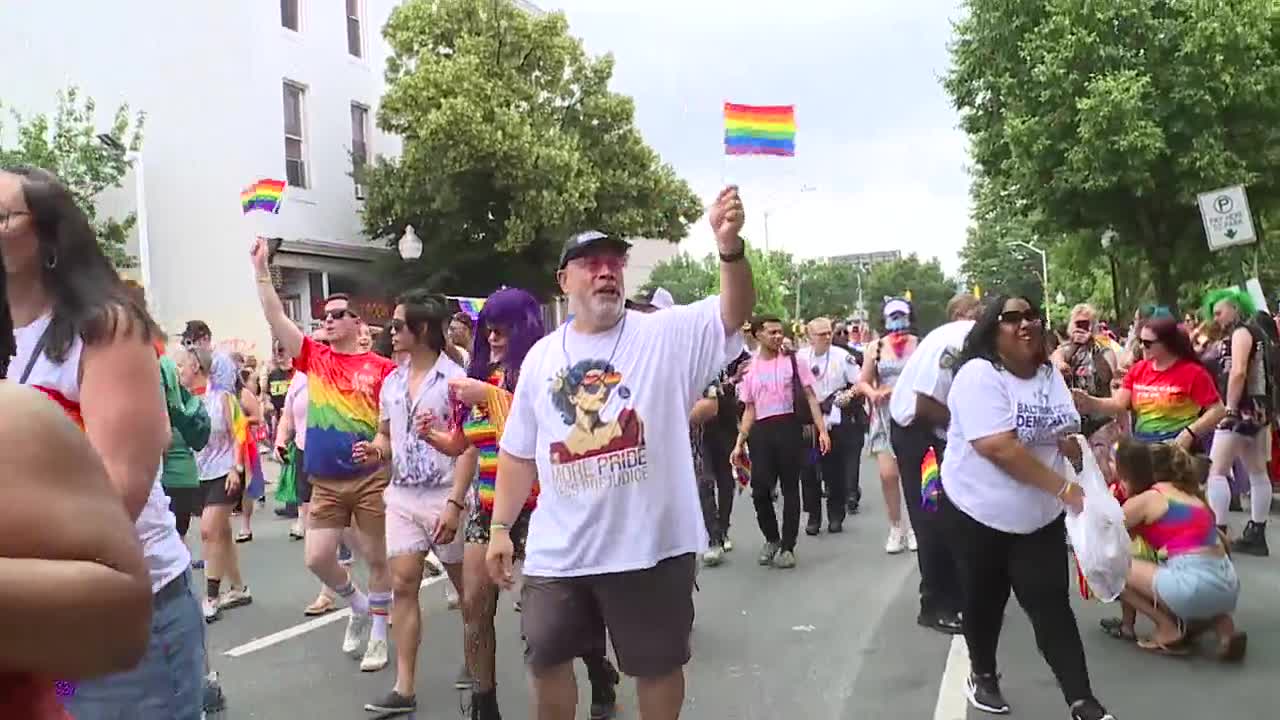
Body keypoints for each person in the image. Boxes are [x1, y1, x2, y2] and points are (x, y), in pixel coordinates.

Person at [488, 186, 755, 720]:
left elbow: (734, 310)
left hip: (648, 547)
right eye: (591, 264)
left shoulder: (664, 335)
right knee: (545, 654)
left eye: (614, 263)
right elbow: (519, 453)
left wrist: (729, 248)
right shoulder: (542, 358)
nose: (606, 272)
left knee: (655, 667)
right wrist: (499, 527)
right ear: (565, 281)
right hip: (558, 550)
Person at [2, 165, 204, 718]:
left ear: (47, 235)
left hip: (117, 615)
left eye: (2, 217)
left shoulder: (105, 330)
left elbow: (122, 491)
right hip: (32, 623)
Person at [445, 287, 621, 720]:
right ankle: (484, 705)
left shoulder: (544, 373)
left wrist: (487, 396)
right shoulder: (480, 379)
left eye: (502, 327)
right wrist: (451, 498)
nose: (493, 336)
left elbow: (538, 432)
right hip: (488, 508)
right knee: (474, 606)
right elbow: (466, 446)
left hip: (544, 509)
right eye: (488, 328)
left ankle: (598, 670)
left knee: (551, 619)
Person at [942, 295, 1113, 720]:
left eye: (1031, 316)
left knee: (1051, 604)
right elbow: (998, 447)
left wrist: (1077, 458)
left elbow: (1062, 426)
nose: (1024, 325)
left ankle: (1082, 700)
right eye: (1011, 318)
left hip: (1038, 515)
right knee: (985, 600)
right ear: (991, 328)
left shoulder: (1048, 374)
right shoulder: (978, 375)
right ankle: (983, 674)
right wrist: (1064, 490)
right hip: (978, 511)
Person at [0, 282, 151, 717]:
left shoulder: (110, 331)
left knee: (70, 687)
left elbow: (126, 489)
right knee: (64, 687)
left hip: (102, 618)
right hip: (55, 652)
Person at [249, 238, 397, 672]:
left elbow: (393, 424)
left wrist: (382, 447)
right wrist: (261, 270)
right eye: (323, 316)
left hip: (369, 477)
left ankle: (380, 634)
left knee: (376, 559)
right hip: (326, 479)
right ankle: (357, 606)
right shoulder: (314, 358)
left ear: (357, 322)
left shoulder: (382, 369)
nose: (327, 321)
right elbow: (276, 317)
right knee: (317, 557)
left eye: (336, 316)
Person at [360, 292, 469, 714]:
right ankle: (404, 687)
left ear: (422, 330)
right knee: (403, 583)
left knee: (468, 593)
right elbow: (385, 435)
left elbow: (468, 446)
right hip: (402, 497)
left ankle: (479, 663)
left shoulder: (456, 380)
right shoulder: (390, 382)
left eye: (399, 326)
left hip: (445, 495)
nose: (392, 332)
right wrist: (376, 450)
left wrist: (456, 504)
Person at [888, 293, 980, 635]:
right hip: (919, 435)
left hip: (937, 433)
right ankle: (935, 604)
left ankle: (956, 594)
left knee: (954, 514)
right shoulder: (956, 343)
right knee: (934, 517)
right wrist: (971, 421)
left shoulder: (964, 338)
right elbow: (925, 404)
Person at [1106, 440, 1246, 660]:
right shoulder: (1194, 497)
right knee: (1195, 574)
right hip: (1229, 585)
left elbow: (1105, 530)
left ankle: (1167, 628)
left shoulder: (1150, 498)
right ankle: (1224, 627)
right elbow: (1225, 543)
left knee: (1111, 568)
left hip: (1191, 586)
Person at [733, 316, 830, 568]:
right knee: (760, 489)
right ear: (757, 336)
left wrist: (822, 431)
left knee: (790, 488)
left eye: (780, 332)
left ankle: (788, 546)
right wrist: (740, 441)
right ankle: (772, 538)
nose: (778, 336)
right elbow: (749, 409)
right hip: (761, 432)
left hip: (789, 428)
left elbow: (810, 397)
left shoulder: (794, 361)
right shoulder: (750, 368)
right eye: (772, 332)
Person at [1073, 317, 1225, 451]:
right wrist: (1090, 402)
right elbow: (1119, 404)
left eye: (1147, 343)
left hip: (1180, 452)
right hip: (1145, 449)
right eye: (1140, 341)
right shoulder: (1138, 370)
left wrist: (1189, 433)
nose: (1140, 347)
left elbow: (1218, 410)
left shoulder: (1193, 373)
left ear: (1167, 344)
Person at [1202, 288, 1273, 555]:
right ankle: (1257, 531)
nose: (1216, 318)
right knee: (1256, 471)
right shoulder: (1257, 332)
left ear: (1234, 307)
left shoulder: (1242, 333)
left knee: (1216, 471)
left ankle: (1218, 532)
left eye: (1219, 312)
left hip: (1241, 409)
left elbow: (1239, 370)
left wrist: (1229, 408)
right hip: (1258, 408)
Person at [183, 349, 253, 622]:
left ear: (198, 368)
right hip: (200, 473)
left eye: (185, 365)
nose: (181, 371)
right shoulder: (187, 400)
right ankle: (239, 588)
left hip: (226, 472)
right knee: (221, 533)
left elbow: (240, 430)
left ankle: (211, 597)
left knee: (208, 531)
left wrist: (237, 467)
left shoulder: (222, 398)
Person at [858, 297, 920, 554]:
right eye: (892, 316)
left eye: (901, 315)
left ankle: (918, 526)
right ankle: (896, 527)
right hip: (884, 419)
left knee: (915, 475)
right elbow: (863, 381)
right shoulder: (876, 348)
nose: (897, 321)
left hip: (915, 416)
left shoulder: (920, 345)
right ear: (884, 319)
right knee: (888, 475)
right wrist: (872, 394)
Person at [797, 316, 861, 534]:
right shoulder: (800, 358)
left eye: (828, 333)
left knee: (834, 471)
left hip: (835, 420)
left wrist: (848, 395)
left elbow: (859, 383)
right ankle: (813, 517)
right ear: (809, 337)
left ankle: (836, 515)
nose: (826, 337)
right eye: (820, 334)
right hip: (810, 425)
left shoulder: (843, 357)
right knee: (809, 471)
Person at [1052, 304, 1121, 481]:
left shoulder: (1104, 350)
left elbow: (1108, 375)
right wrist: (1074, 348)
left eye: (1086, 323)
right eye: (1078, 323)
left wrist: (1092, 345)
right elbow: (1056, 364)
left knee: (1100, 459)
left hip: (1101, 421)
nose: (1082, 328)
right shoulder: (1063, 350)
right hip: (1072, 422)